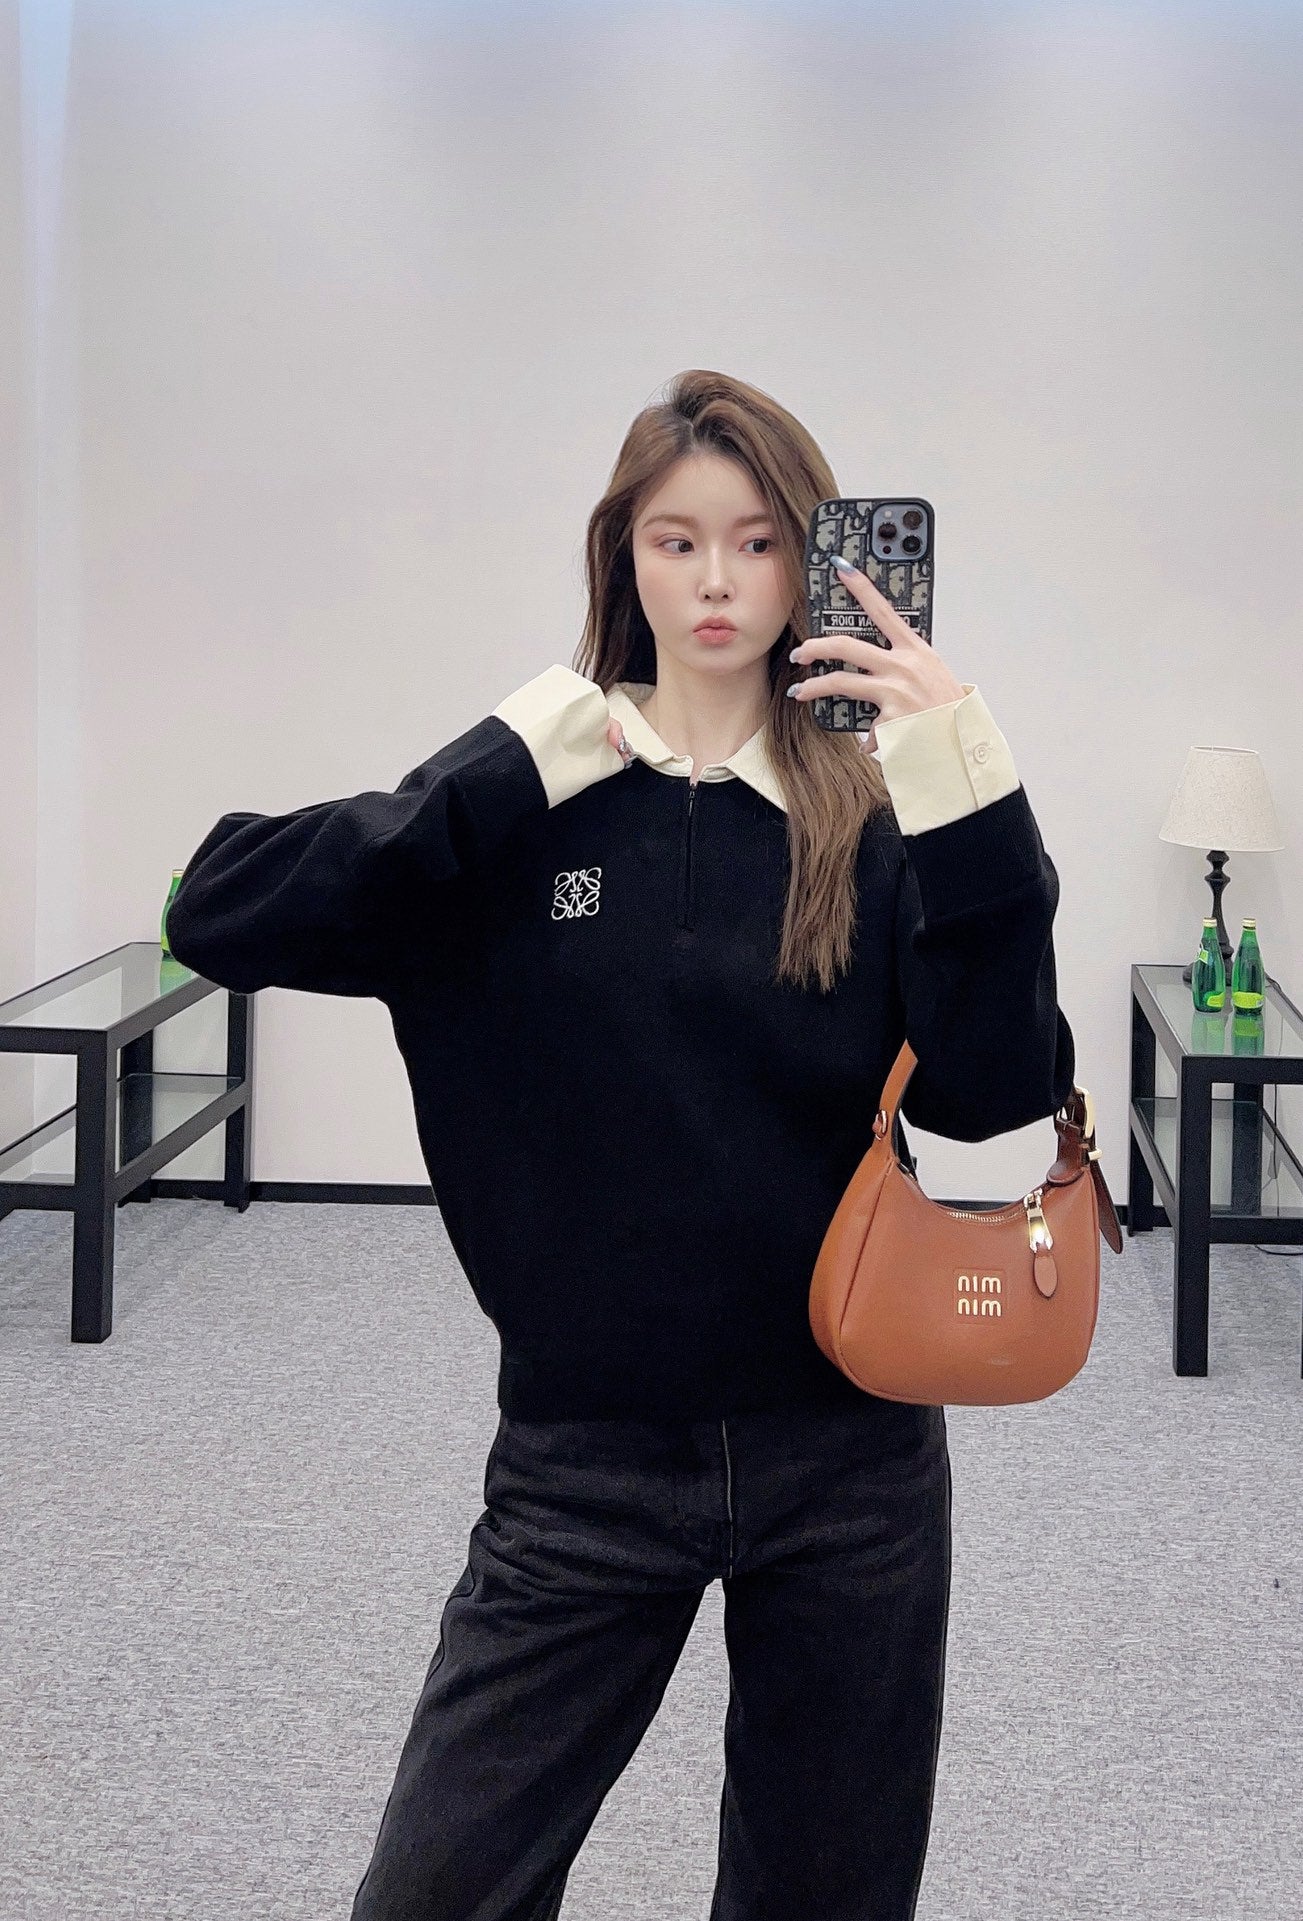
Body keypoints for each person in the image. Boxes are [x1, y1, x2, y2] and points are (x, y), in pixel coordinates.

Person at [166, 368, 1075, 1921]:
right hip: (586, 1464)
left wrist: (970, 793)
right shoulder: (522, 812)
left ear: (811, 564)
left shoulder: (875, 821)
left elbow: (997, 1108)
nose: (717, 580)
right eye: (676, 540)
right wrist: (492, 768)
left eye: (758, 541)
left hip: (850, 1460)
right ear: (624, 559)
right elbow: (215, 908)